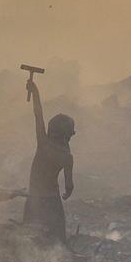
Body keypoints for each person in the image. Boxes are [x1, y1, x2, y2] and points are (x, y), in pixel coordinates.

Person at [22, 79, 74, 244]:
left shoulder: (43, 144)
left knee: (29, 236)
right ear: (67, 134)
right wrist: (67, 193)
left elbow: (38, 114)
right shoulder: (67, 156)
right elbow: (69, 186)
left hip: (35, 198)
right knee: (57, 239)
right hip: (53, 202)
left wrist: (35, 91)